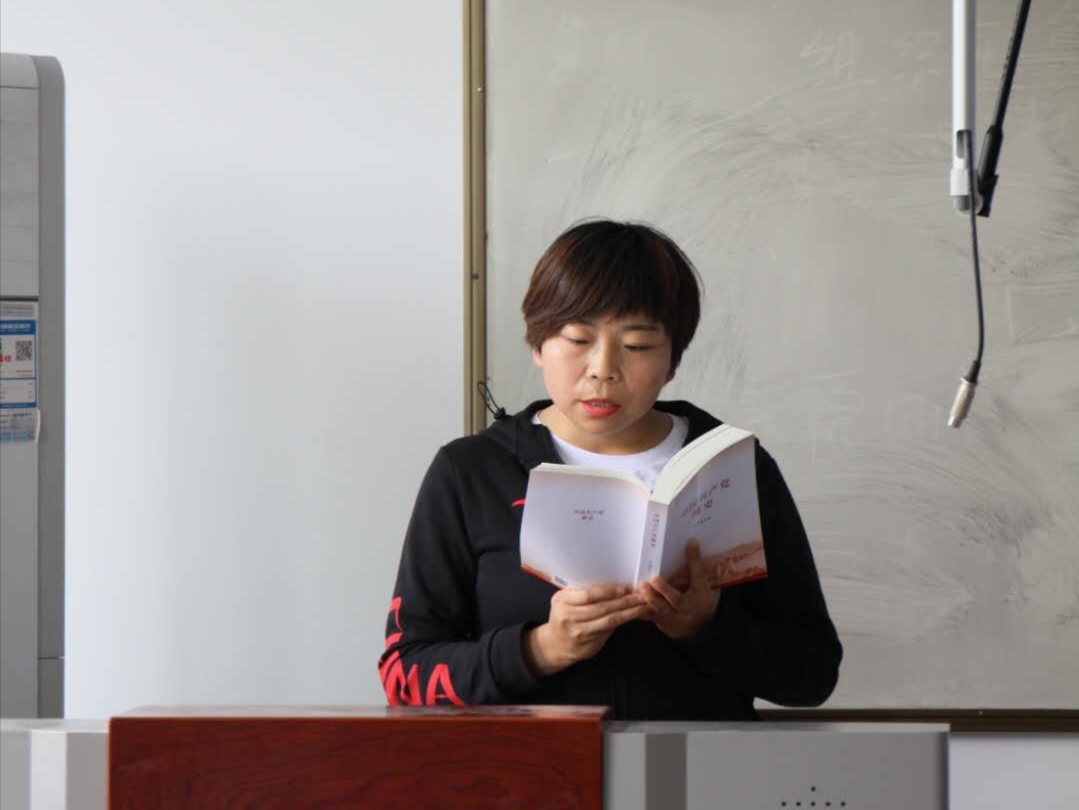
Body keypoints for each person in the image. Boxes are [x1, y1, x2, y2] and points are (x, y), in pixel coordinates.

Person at [378, 219, 841, 720]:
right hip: (528, 768)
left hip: (697, 765)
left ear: (673, 360)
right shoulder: (470, 472)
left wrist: (706, 630)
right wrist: (541, 649)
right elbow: (405, 676)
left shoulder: (733, 466)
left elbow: (813, 674)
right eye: (577, 339)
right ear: (537, 345)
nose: (603, 369)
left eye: (637, 346)